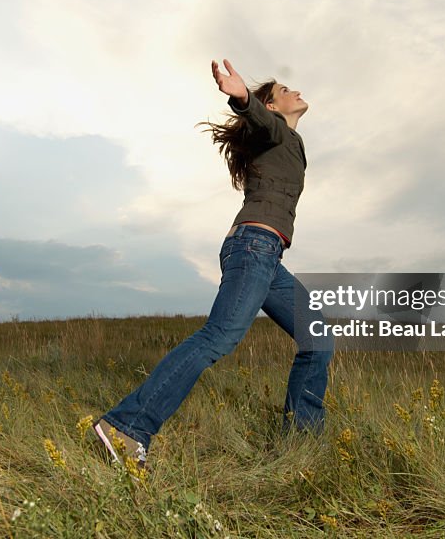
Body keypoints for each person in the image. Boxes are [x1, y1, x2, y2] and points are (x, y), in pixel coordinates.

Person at [94, 58, 334, 470]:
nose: (295, 91)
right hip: (253, 246)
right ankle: (126, 426)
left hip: (267, 254)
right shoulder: (275, 132)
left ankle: (301, 444)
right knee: (218, 337)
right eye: (284, 91)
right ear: (272, 108)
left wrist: (250, 107)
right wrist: (243, 98)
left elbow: (264, 126)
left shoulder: (282, 141)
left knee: (318, 338)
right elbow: (260, 119)